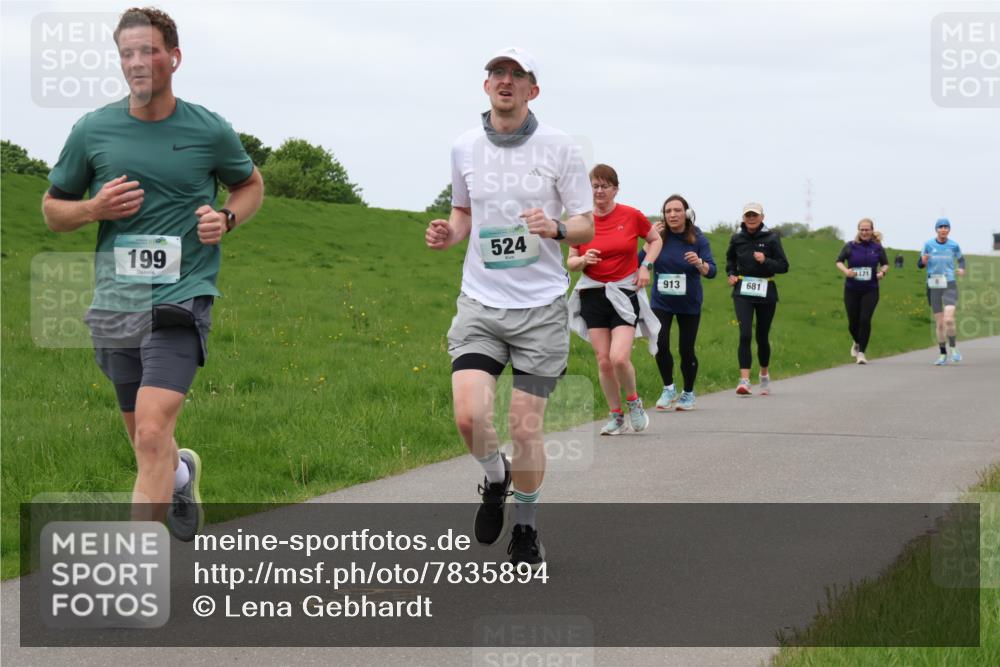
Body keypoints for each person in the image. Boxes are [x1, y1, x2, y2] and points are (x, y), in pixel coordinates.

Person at [41, 7, 264, 540]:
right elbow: (53, 211)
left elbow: (250, 185)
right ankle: (180, 474)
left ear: (174, 57)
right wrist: (94, 209)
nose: (137, 63)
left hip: (181, 296)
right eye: (127, 53)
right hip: (116, 301)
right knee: (147, 442)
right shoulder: (93, 129)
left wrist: (226, 218)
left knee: (151, 427)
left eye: (148, 51)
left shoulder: (209, 129)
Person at [425, 47, 593, 569]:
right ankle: (495, 480)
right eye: (497, 73)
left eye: (516, 75)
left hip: (541, 310)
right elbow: (462, 212)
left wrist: (558, 228)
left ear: (532, 90)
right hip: (480, 302)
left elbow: (586, 224)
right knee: (468, 415)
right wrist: (447, 233)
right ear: (486, 86)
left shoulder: (561, 148)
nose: (505, 81)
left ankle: (527, 528)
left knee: (525, 428)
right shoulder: (464, 147)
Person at [565, 164, 661, 435]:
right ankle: (616, 415)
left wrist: (646, 266)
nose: (599, 191)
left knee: (619, 358)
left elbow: (654, 240)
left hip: (623, 292)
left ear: (615, 189)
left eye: (604, 186)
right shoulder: (580, 220)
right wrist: (583, 259)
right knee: (603, 360)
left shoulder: (631, 215)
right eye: (594, 186)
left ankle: (634, 402)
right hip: (593, 294)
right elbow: (571, 261)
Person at [642, 195, 716, 411]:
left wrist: (700, 263)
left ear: (686, 213)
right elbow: (639, 263)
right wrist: (648, 246)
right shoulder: (657, 238)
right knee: (660, 345)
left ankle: (688, 393)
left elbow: (712, 271)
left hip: (689, 303)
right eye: (668, 211)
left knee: (686, 349)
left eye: (677, 210)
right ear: (663, 215)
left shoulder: (698, 238)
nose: (672, 214)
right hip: (661, 302)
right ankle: (668, 389)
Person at [725, 203, 789, 395]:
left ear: (762, 217)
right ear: (743, 218)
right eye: (748, 215)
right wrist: (731, 274)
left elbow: (784, 266)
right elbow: (730, 260)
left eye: (755, 215)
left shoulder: (772, 238)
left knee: (762, 336)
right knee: (745, 334)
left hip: (766, 289)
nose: (751, 218)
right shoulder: (737, 238)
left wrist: (766, 261)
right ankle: (744, 380)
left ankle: (763, 375)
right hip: (743, 290)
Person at [835, 219, 889, 364]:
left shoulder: (877, 247)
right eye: (862, 229)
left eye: (867, 230)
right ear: (858, 230)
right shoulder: (850, 246)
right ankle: (857, 341)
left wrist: (882, 273)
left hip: (870, 289)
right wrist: (846, 271)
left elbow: (885, 264)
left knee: (865, 320)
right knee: (853, 323)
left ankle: (861, 353)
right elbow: (838, 261)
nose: (865, 232)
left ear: (872, 230)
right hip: (852, 289)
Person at [918, 219, 966, 365]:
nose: (943, 229)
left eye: (946, 227)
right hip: (933, 285)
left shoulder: (954, 245)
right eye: (941, 227)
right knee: (940, 324)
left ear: (949, 230)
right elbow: (920, 264)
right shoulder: (928, 244)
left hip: (949, 283)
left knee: (949, 319)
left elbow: (961, 260)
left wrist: (962, 268)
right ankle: (942, 354)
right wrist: (924, 261)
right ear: (936, 230)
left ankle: (954, 349)